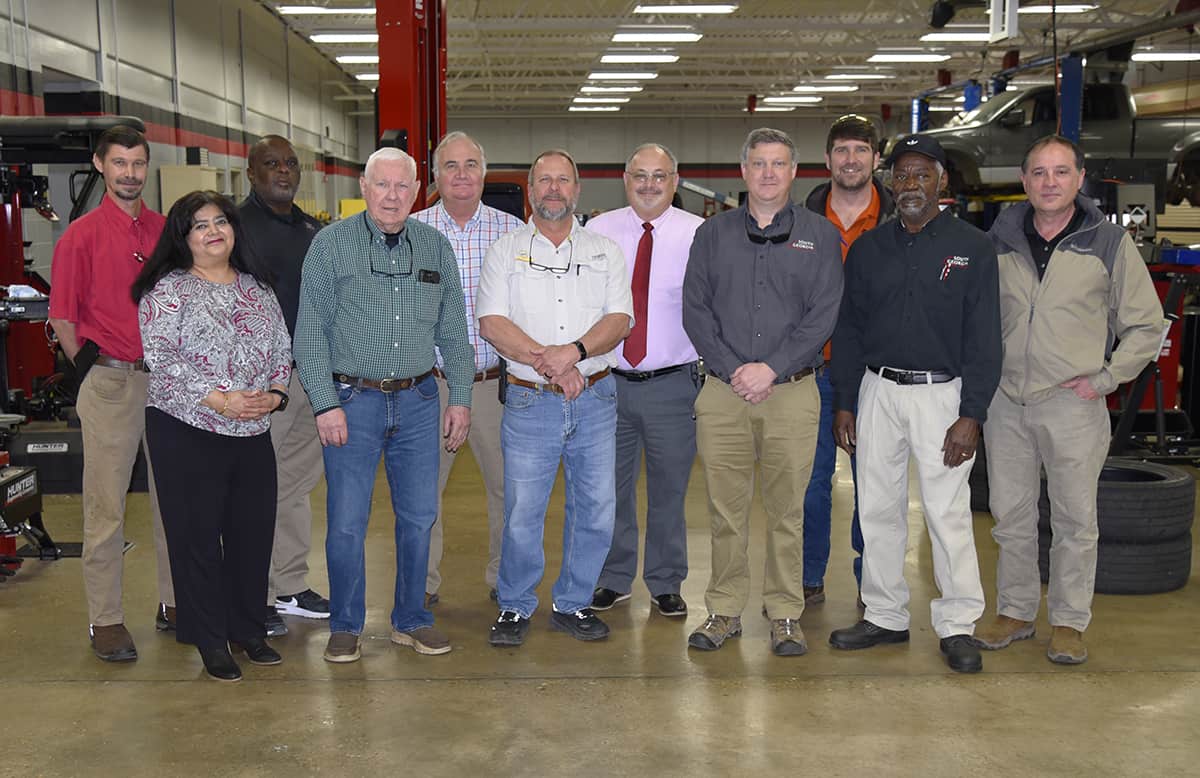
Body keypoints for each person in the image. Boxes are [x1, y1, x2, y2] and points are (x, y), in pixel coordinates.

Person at [974, 134, 1161, 665]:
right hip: (1007, 403)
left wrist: (1106, 378)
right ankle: (1015, 611)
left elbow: (1146, 325)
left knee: (1075, 519)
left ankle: (1069, 621)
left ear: (1080, 178)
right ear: (1024, 181)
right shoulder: (998, 241)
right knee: (1009, 515)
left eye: (1060, 172)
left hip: (1073, 402)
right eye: (1038, 172)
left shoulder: (1108, 242)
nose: (1049, 182)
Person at [828, 134, 1001, 674]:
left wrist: (972, 413)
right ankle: (884, 614)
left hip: (942, 397)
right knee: (877, 508)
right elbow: (849, 328)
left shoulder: (974, 247)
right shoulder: (868, 249)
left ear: (941, 181)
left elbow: (985, 338)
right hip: (877, 391)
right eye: (902, 175)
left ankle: (957, 624)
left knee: (947, 513)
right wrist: (845, 400)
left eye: (923, 174)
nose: (911, 185)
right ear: (890, 181)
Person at [294, 147, 474, 664]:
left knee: (419, 517)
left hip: (419, 401)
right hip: (353, 401)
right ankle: (346, 624)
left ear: (417, 191)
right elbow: (310, 333)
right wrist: (325, 404)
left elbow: (454, 333)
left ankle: (411, 619)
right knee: (347, 522)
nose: (392, 196)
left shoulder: (434, 247)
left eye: (402, 186)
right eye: (382, 185)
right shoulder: (330, 245)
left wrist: (460, 398)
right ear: (364, 188)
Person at [682, 128, 843, 656]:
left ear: (793, 172)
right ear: (744, 171)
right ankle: (724, 609)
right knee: (724, 511)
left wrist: (771, 368)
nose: (768, 173)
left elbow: (823, 315)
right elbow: (695, 311)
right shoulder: (712, 234)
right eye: (759, 163)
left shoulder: (820, 236)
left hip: (792, 392)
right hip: (722, 392)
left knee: (787, 511)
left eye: (778, 163)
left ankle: (785, 613)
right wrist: (736, 370)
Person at [476, 148, 632, 647]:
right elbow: (492, 322)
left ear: (577, 190)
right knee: (523, 510)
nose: (554, 189)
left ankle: (573, 602)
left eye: (563, 180)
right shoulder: (504, 250)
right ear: (530, 190)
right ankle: (515, 604)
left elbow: (619, 320)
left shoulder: (605, 251)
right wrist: (552, 365)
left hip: (595, 400)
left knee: (596, 508)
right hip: (530, 401)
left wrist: (574, 354)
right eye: (544, 180)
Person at [134, 190, 291, 682]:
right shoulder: (167, 290)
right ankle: (210, 639)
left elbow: (281, 348)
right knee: (197, 538)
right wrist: (221, 399)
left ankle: (248, 629)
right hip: (187, 429)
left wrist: (275, 394)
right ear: (183, 237)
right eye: (199, 225)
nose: (213, 232)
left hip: (252, 429)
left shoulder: (257, 288)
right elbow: (162, 359)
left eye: (220, 221)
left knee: (252, 533)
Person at [48, 124, 176, 662]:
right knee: (106, 507)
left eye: (138, 163)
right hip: (110, 382)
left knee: (175, 500)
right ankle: (106, 620)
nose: (130, 173)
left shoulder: (166, 231)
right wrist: (91, 373)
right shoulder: (80, 236)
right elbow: (62, 316)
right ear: (100, 165)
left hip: (168, 384)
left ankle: (175, 602)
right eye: (119, 163)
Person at [587, 142, 703, 618]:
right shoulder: (598, 231)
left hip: (673, 386)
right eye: (640, 175)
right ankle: (613, 577)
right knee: (608, 489)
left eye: (660, 176)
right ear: (625, 180)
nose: (649, 185)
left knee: (669, 490)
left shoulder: (699, 234)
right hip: (608, 385)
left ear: (675, 182)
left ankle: (665, 580)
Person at [411, 131, 521, 607]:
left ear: (484, 173)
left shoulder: (512, 232)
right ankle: (421, 584)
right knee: (422, 494)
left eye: (470, 165)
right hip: (430, 388)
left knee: (509, 491)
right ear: (435, 175)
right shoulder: (411, 231)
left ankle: (506, 580)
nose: (461, 175)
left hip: (493, 386)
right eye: (451, 166)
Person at [802, 114, 896, 603]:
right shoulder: (801, 220)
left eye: (861, 150)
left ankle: (872, 584)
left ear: (876, 158)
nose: (851, 159)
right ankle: (807, 578)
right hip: (812, 373)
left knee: (874, 486)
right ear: (827, 159)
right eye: (842, 150)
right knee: (809, 484)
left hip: (875, 376)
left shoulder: (900, 219)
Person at [238, 135, 329, 637]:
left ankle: (290, 584)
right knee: (255, 487)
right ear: (251, 173)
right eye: (272, 164)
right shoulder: (233, 228)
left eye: (291, 164)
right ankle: (255, 593)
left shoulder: (313, 230)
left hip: (310, 376)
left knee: (295, 485)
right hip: (260, 381)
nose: (283, 171)